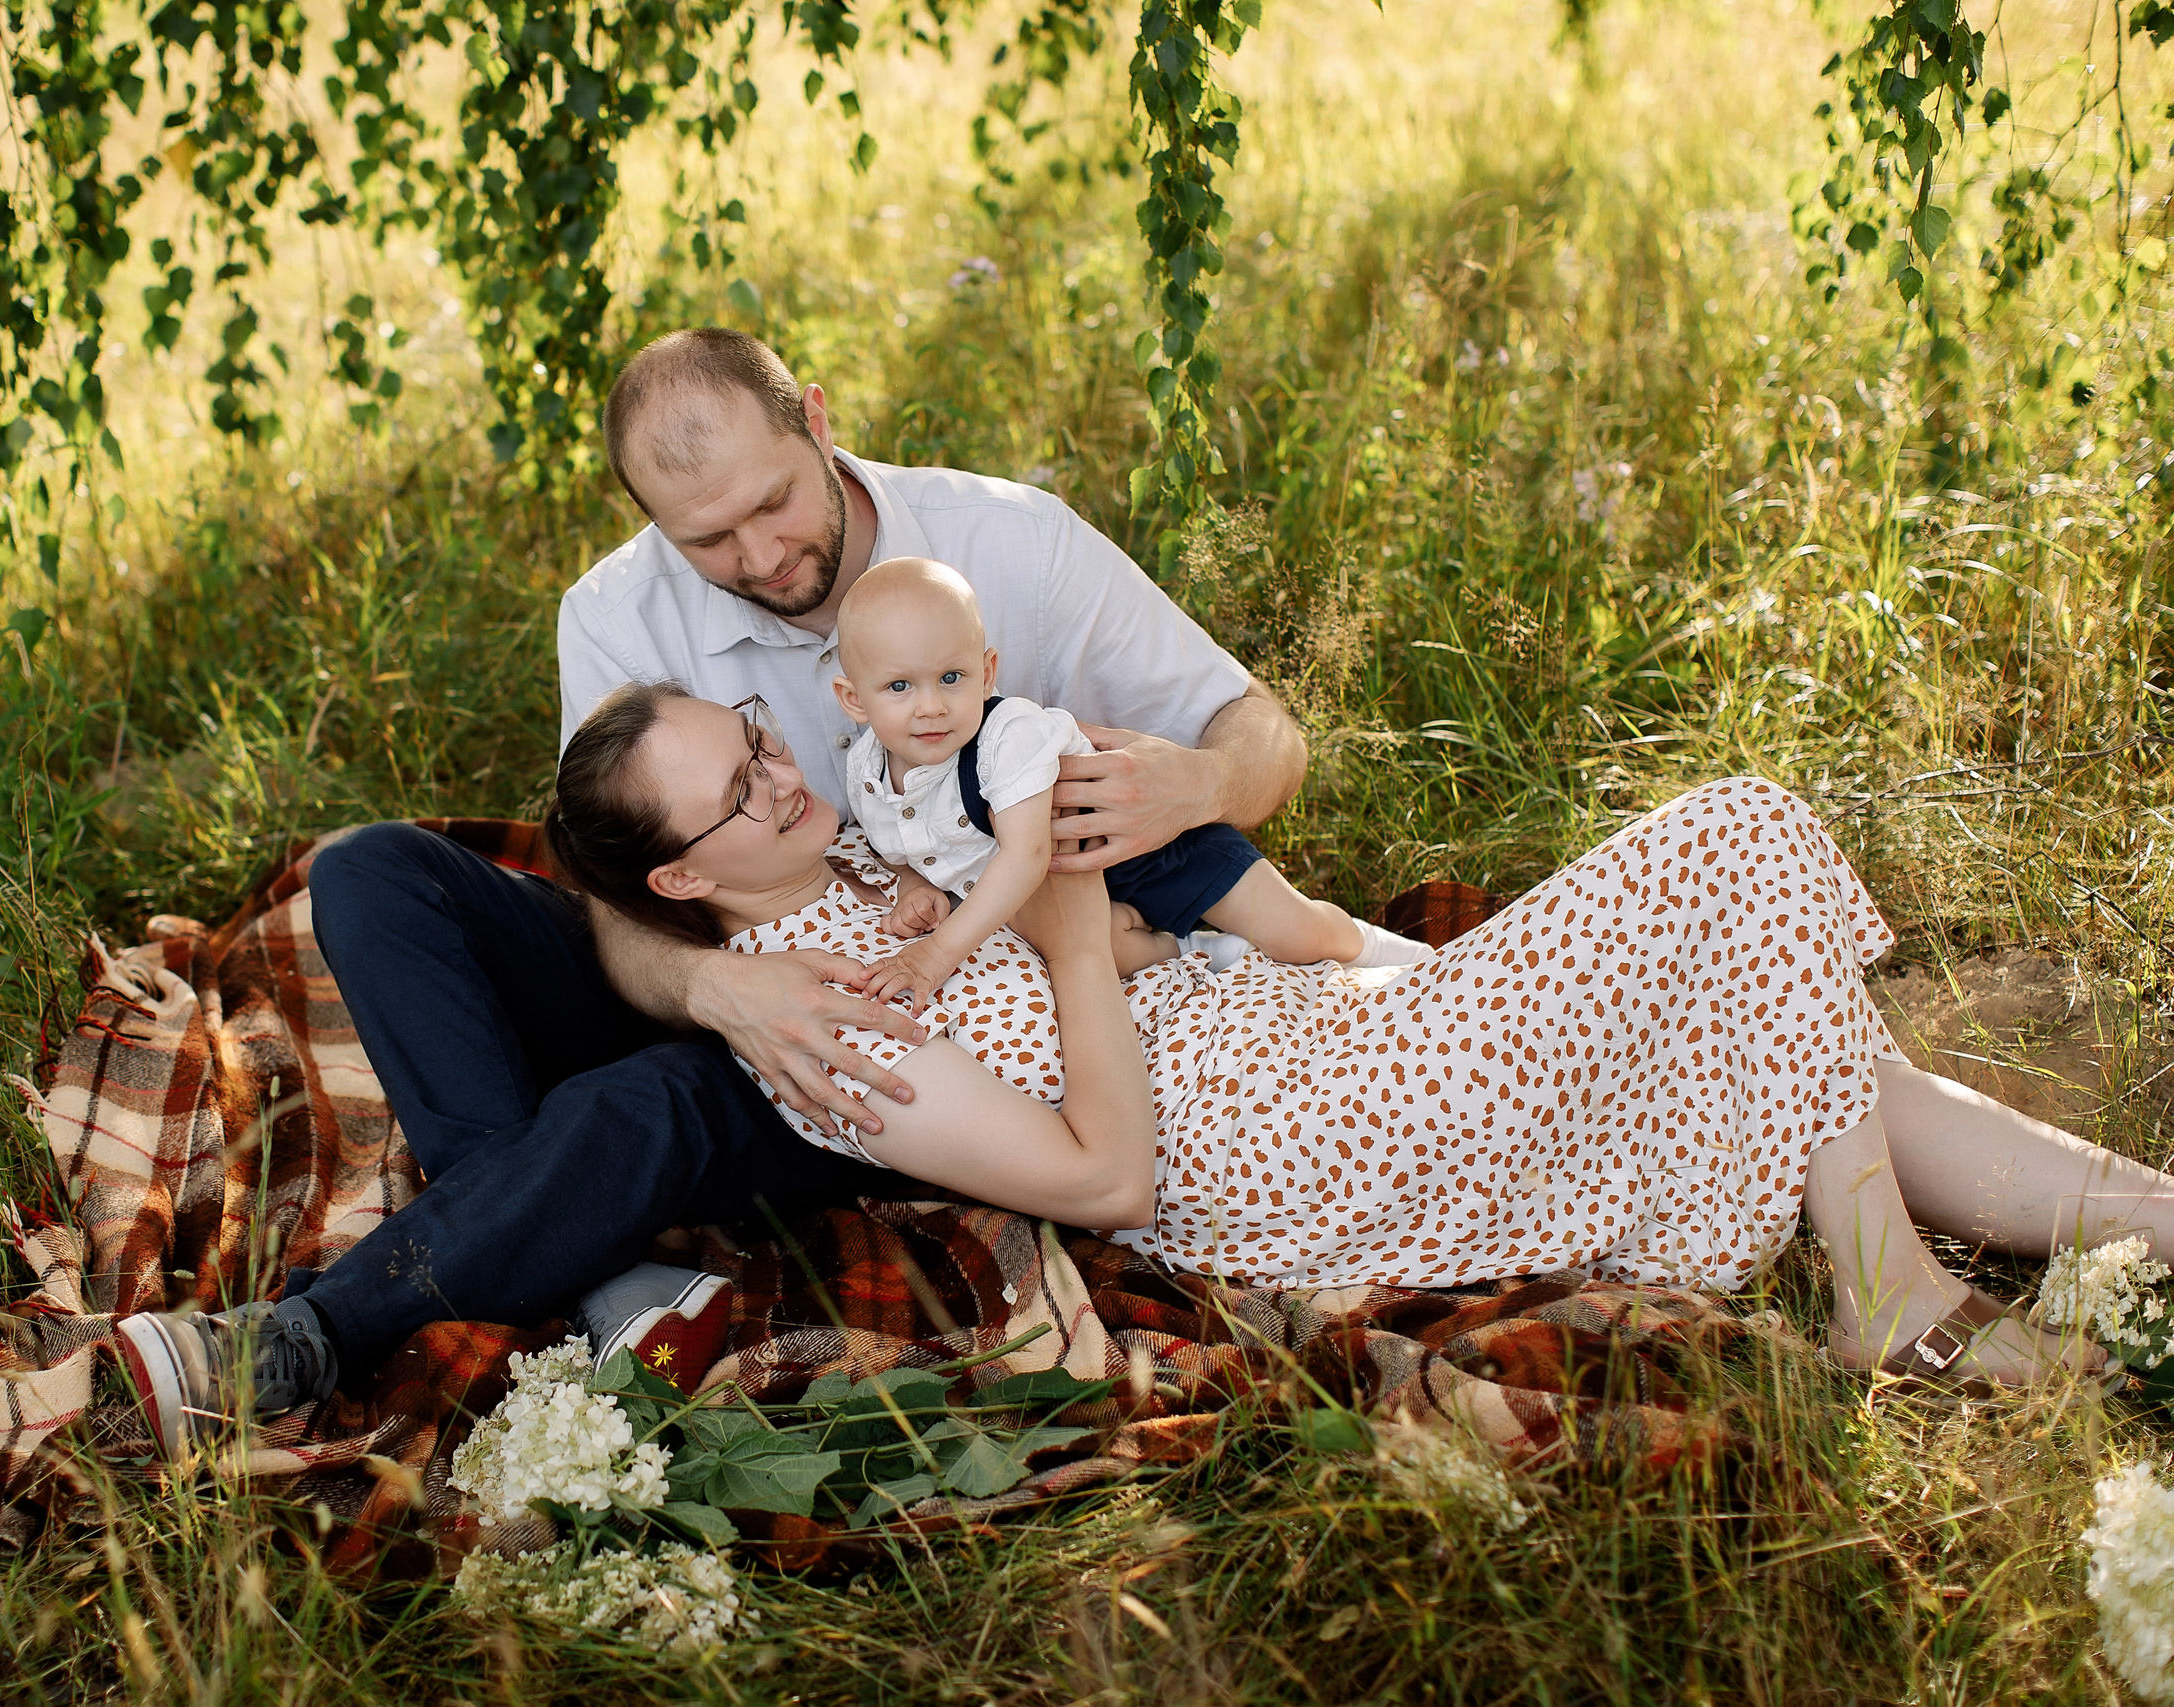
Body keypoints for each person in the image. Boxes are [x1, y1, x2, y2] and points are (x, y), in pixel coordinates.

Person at [117, 327, 1312, 1453]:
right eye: (708, 541)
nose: (760, 559)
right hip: (708, 969)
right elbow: (619, 904)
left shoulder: (1008, 544)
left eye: (774, 504)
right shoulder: (614, 615)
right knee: (374, 867)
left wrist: (1202, 781)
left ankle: (315, 1336)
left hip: (902, 1026)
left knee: (642, 1106)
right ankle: (580, 1265)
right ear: (651, 526)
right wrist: (717, 990)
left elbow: (1265, 735)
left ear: (820, 424)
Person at [547, 683, 2174, 1392]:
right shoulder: (821, 1028)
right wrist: (1070, 937)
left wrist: (1090, 930)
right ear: (685, 879)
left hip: (1304, 1029)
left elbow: (1093, 936)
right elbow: (1101, 1174)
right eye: (739, 787)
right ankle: (1889, 1290)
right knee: (1742, 837)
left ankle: (2150, 1225)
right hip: (1298, 1146)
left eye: (758, 736)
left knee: (1795, 1023)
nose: (782, 772)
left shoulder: (856, 854)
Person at [829, 555, 1417, 1001]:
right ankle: (1197, 950)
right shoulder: (868, 769)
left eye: (951, 677)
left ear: (987, 673)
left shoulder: (1007, 735)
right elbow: (900, 842)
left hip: (1149, 846)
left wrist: (937, 954)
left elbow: (1026, 854)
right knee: (1093, 948)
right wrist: (913, 883)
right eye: (900, 687)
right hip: (1071, 894)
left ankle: (1406, 957)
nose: (930, 706)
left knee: (1296, 934)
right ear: (854, 701)